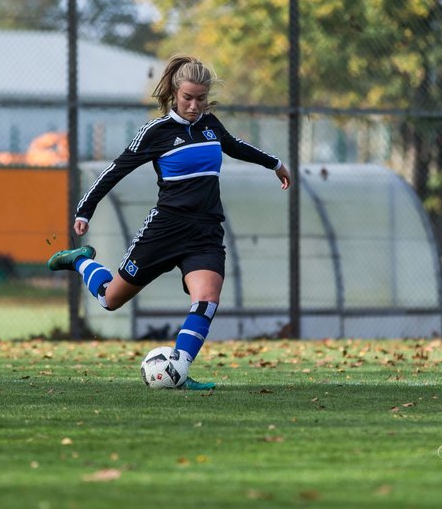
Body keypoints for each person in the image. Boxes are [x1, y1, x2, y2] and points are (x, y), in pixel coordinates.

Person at [47, 55, 291, 390]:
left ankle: (180, 370)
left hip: (205, 231)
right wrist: (84, 210)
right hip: (164, 230)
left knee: (206, 299)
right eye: (188, 98)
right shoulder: (155, 132)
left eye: (201, 98)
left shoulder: (211, 125)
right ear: (174, 93)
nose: (194, 105)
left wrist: (275, 163)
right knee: (110, 299)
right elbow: (116, 170)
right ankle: (81, 261)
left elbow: (235, 147)